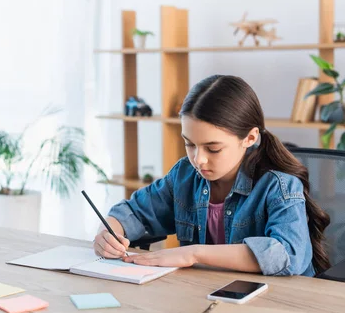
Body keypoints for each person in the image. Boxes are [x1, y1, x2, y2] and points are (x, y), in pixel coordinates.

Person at [93, 75, 330, 276]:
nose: (199, 159)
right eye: (189, 144)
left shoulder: (278, 186)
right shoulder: (184, 175)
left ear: (249, 138)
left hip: (273, 307)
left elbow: (287, 254)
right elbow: (134, 212)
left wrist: (193, 253)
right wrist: (108, 232)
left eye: (213, 148)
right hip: (206, 296)